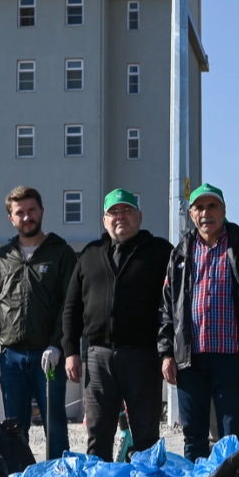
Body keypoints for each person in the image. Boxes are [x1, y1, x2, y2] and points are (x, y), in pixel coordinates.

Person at [159, 183, 239, 461]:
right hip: (190, 360)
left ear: (224, 210)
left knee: (232, 435)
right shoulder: (180, 252)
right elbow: (167, 307)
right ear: (191, 214)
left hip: (231, 358)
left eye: (212, 206)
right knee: (194, 437)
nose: (206, 213)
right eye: (199, 207)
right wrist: (166, 353)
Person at [64, 189, 173, 460]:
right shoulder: (90, 255)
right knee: (98, 434)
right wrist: (70, 351)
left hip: (143, 356)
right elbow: (72, 307)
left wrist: (168, 351)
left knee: (146, 434)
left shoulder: (160, 252)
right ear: (104, 219)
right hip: (99, 356)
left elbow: (174, 305)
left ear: (139, 216)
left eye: (127, 211)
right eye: (114, 212)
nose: (120, 217)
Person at [0, 187, 77, 459]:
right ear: (11, 218)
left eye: (31, 210)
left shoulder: (61, 254)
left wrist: (58, 344)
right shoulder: (1, 258)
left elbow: (68, 306)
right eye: (19, 212)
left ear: (42, 212)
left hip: (49, 358)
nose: (27, 217)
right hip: (10, 359)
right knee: (13, 430)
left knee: (55, 427)